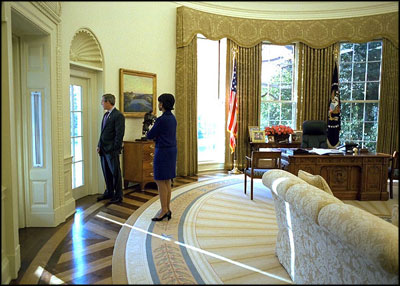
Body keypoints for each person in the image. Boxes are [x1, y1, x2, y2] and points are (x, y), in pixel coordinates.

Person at [146, 93, 177, 221]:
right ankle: (167, 208)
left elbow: (149, 135)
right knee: (167, 181)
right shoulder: (172, 118)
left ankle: (164, 210)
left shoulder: (161, 119)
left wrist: (152, 133)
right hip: (171, 150)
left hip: (162, 151)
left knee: (160, 181)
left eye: (159, 102)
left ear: (163, 104)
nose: (158, 104)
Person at [97, 93, 125, 204]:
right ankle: (109, 192)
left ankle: (118, 195)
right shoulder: (105, 115)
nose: (101, 103)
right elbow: (102, 132)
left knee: (115, 173)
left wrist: (114, 149)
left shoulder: (118, 115)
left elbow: (119, 135)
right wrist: (99, 145)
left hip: (112, 151)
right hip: (103, 150)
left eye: (102, 101)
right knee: (106, 172)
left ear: (108, 102)